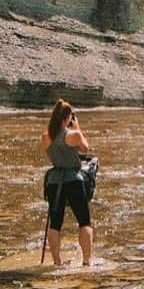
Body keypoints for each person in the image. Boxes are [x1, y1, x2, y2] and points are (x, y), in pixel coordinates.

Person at [42, 99, 93, 266]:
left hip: (54, 182)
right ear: (67, 118)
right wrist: (77, 128)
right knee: (84, 221)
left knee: (55, 223)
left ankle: (57, 262)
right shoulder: (73, 135)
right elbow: (85, 148)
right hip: (73, 181)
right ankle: (86, 261)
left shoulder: (46, 136)